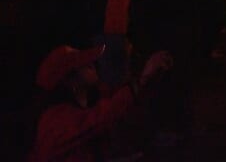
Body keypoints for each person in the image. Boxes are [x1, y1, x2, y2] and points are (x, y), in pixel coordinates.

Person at [27, 45, 171, 162]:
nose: (92, 64)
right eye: (83, 64)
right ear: (69, 81)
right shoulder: (54, 121)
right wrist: (143, 80)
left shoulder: (88, 104)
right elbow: (103, 115)